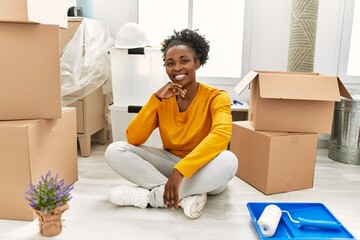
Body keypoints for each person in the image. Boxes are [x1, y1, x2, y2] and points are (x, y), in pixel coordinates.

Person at [105, 29, 238, 219]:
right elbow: (134, 138)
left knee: (229, 160)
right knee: (115, 150)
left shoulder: (217, 97)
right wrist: (155, 99)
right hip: (170, 162)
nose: (176, 68)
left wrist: (180, 172)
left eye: (184, 61)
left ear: (197, 63)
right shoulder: (162, 99)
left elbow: (221, 136)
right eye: (170, 63)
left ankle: (153, 197)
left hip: (205, 168)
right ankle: (186, 196)